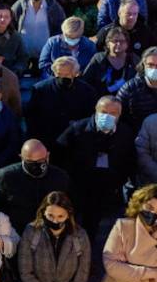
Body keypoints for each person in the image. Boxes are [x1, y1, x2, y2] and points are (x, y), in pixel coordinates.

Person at [58, 96, 137, 240]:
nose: (107, 116)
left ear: (119, 115)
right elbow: (60, 154)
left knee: (92, 225)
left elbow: (129, 161)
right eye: (104, 111)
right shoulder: (78, 130)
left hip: (105, 187)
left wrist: (119, 182)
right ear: (96, 110)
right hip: (78, 184)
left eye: (113, 113)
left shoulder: (125, 133)